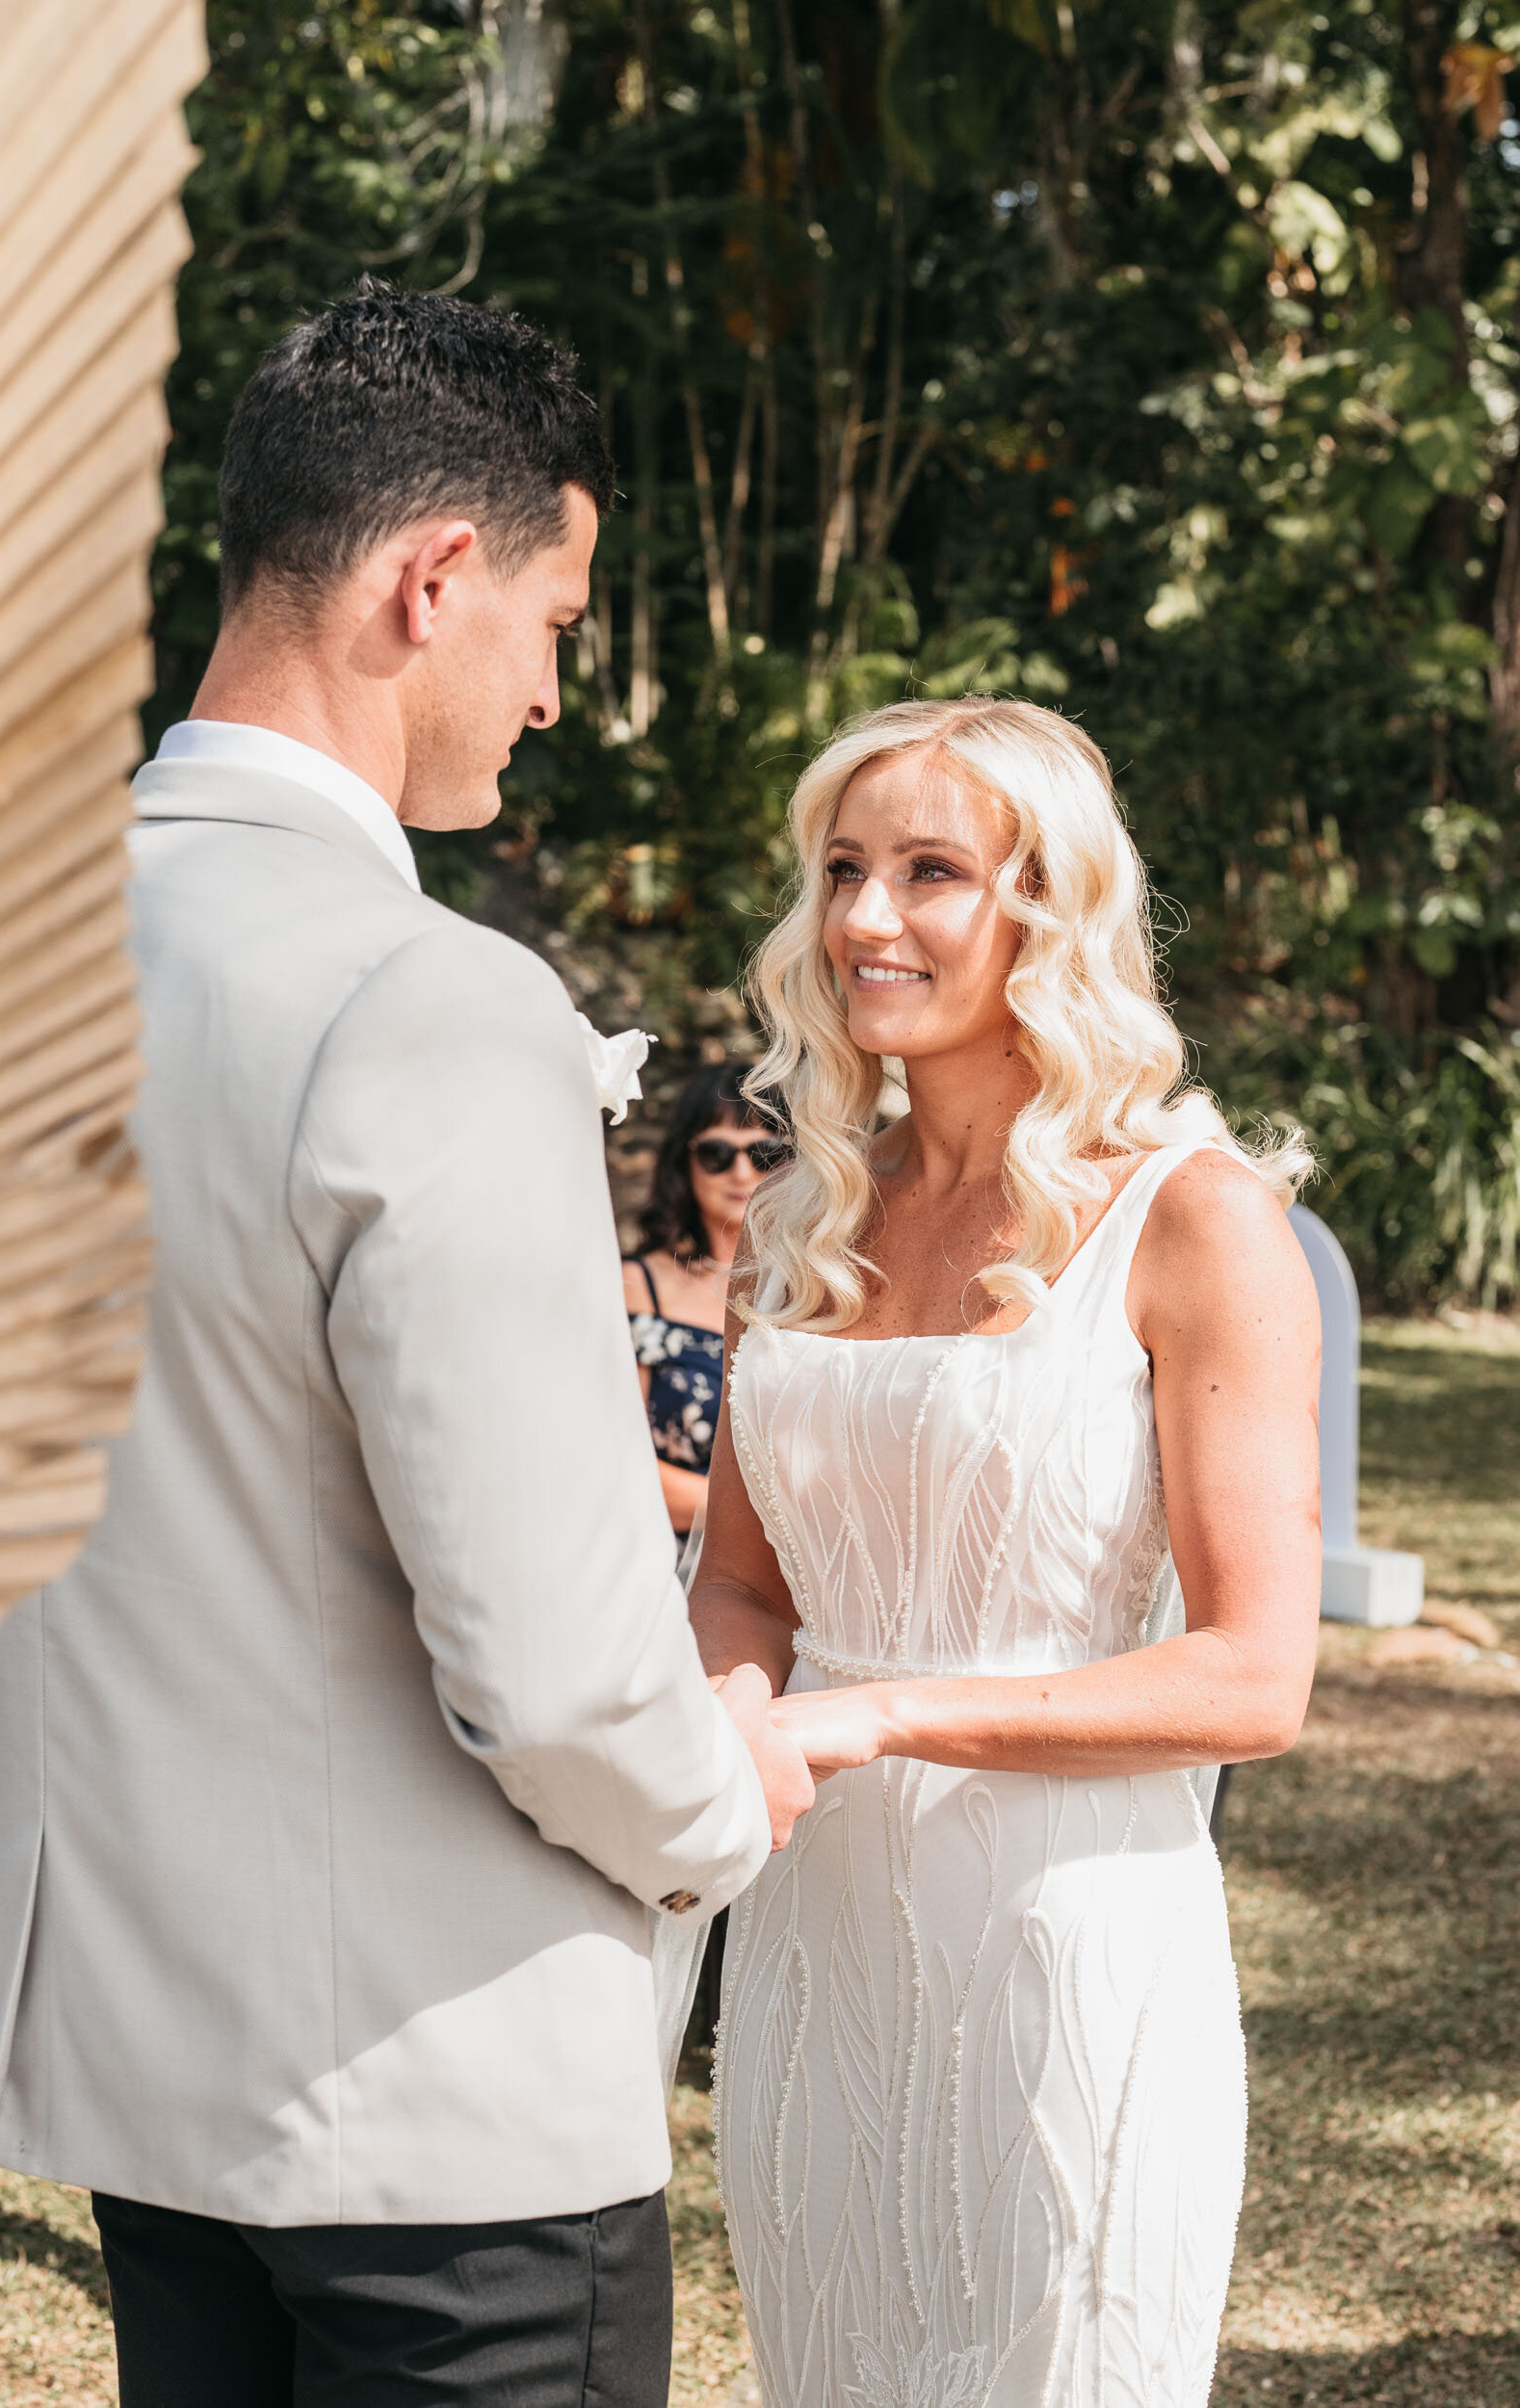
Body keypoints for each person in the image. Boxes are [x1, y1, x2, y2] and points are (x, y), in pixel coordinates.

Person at [0, 281, 814, 2408]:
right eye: (556, 618)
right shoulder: (425, 1002)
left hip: (143, 2083)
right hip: (445, 2112)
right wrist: (726, 1799)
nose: (552, 690)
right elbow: (548, 1657)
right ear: (435, 579)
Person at [690, 697, 1323, 2407]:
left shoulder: (1193, 1218)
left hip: (1068, 1953)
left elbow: (1256, 1677)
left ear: (1048, 906)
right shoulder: (800, 1216)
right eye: (838, 870)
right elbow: (741, 1583)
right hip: (817, 1947)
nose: (861, 921)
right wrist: (735, 1719)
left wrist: (874, 1716)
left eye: (928, 873)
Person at [622, 1060, 790, 1542]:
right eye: (717, 1153)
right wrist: (764, 1523)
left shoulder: (825, 1290)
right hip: (664, 1567)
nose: (741, 1171)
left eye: (764, 1152)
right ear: (685, 1162)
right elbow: (609, 1460)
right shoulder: (634, 1285)